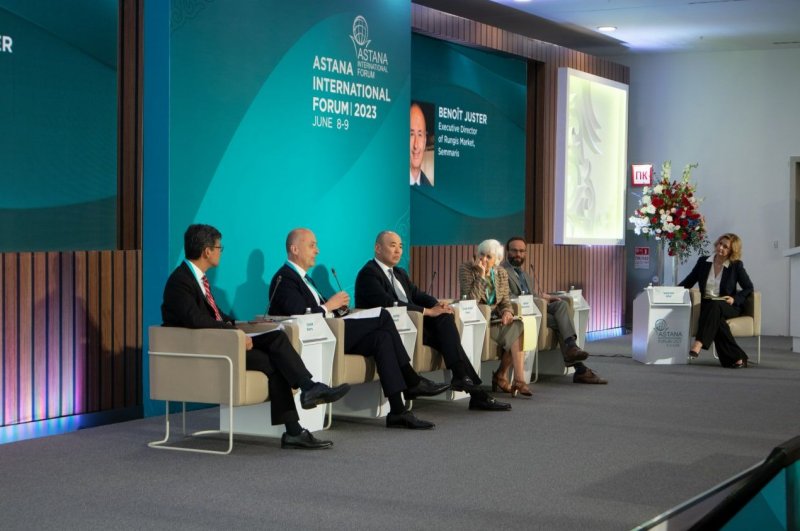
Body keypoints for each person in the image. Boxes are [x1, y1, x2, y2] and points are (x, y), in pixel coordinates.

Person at [161, 224, 351, 450]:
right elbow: (195, 320)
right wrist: (234, 333)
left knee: (276, 337)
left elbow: (215, 315)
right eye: (219, 248)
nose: (221, 252)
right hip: (210, 348)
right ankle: (296, 426)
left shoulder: (199, 279)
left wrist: (239, 324)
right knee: (275, 362)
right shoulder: (180, 281)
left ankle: (307, 391)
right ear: (207, 251)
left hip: (223, 340)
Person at [268, 228, 449, 429]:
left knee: (382, 338)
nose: (317, 250)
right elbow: (299, 314)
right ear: (294, 249)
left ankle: (398, 411)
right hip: (317, 337)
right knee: (383, 316)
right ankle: (411, 378)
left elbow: (319, 310)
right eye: (312, 246)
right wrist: (329, 306)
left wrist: (339, 309)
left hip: (329, 331)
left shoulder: (306, 279)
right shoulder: (284, 278)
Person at [355, 230, 512, 412]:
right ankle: (474, 390)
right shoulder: (369, 273)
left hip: (413, 324)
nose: (398, 251)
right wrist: (427, 311)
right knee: (451, 343)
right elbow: (389, 303)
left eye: (400, 247)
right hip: (392, 328)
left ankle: (464, 380)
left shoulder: (399, 273)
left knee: (444, 318)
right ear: (377, 248)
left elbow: (417, 294)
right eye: (393, 246)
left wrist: (438, 304)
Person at [501, 236, 608, 384]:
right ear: (507, 251)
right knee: (560, 322)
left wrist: (544, 297)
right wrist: (537, 300)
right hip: (522, 313)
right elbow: (506, 297)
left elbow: (530, 294)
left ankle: (572, 347)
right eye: (514, 251)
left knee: (561, 304)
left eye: (521, 251)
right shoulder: (502, 272)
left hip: (535, 307)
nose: (518, 254)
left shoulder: (525, 274)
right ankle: (579, 366)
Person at [458, 239, 532, 398]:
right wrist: (481, 276)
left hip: (496, 320)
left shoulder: (501, 273)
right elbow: (471, 300)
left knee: (520, 326)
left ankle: (516, 379)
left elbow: (505, 301)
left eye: (488, 257)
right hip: (476, 321)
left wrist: (507, 312)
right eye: (481, 254)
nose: (483, 259)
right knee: (516, 332)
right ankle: (506, 377)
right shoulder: (466, 268)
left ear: (497, 260)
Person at [679, 233, 754, 368]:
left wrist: (735, 298)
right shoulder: (703, 262)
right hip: (708, 306)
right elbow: (688, 281)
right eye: (720, 244)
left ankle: (699, 342)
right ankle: (738, 357)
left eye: (725, 247)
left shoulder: (736, 265)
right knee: (717, 320)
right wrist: (669, 291)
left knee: (715, 306)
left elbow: (749, 287)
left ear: (732, 250)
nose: (721, 248)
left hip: (728, 305)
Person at [410, 102, 433, 186]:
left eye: (420, 135)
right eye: (411, 134)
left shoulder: (429, 186)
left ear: (425, 142)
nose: (415, 145)